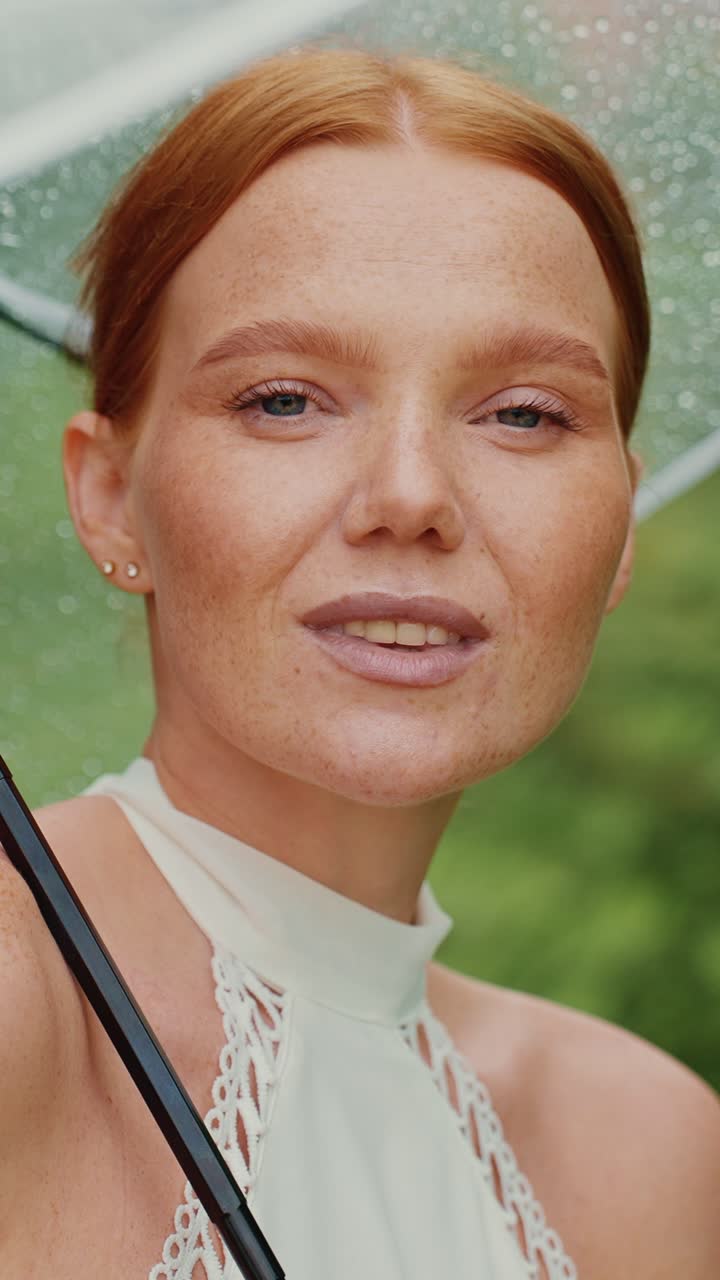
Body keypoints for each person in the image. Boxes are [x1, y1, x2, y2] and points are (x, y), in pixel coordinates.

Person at [1, 44, 718, 1280]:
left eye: (525, 413)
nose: (411, 496)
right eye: (285, 398)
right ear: (112, 496)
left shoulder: (652, 1150)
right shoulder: (22, 997)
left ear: (617, 527)